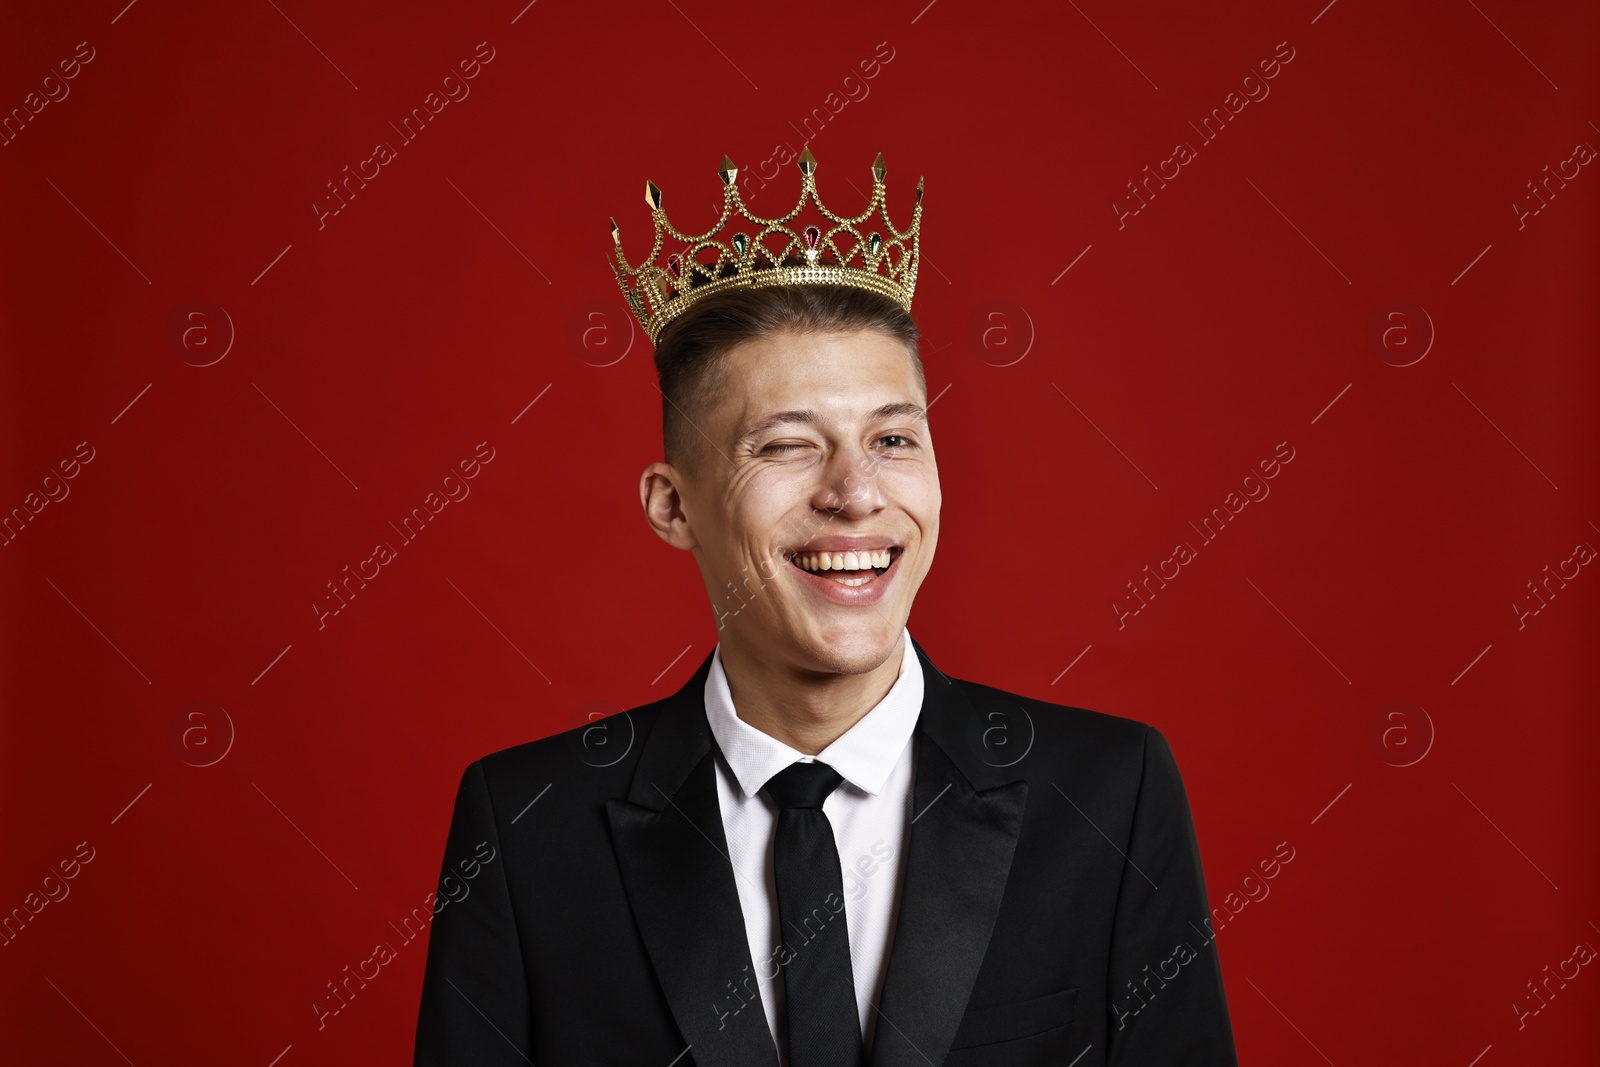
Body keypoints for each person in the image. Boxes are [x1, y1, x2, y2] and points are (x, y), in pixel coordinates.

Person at [413, 148, 1238, 1066]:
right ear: (673, 505)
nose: (856, 493)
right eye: (787, 446)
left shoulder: (1108, 793)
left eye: (893, 438)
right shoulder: (529, 826)